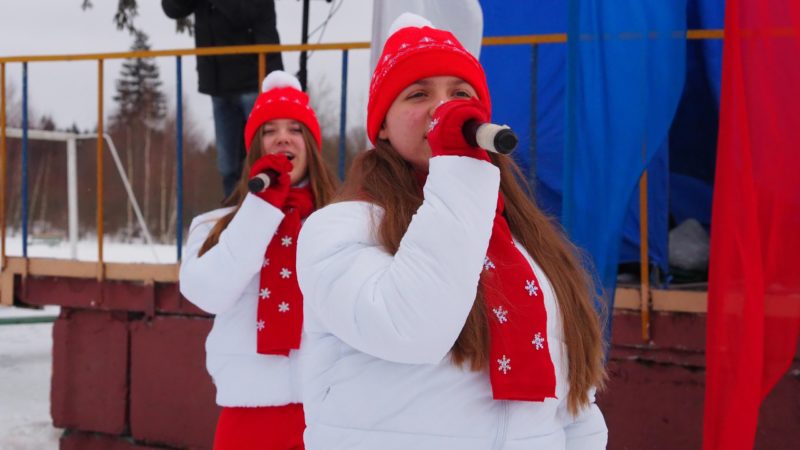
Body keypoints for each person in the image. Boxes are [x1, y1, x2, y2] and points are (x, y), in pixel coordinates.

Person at [296, 13, 607, 450]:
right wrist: (459, 169)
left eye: (460, 94)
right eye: (418, 94)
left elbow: (574, 396)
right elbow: (411, 328)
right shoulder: (340, 228)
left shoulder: (523, 243)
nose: (443, 109)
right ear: (382, 125)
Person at [180, 70, 337, 450]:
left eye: (295, 129)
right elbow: (206, 293)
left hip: (330, 411)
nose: (283, 137)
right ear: (254, 148)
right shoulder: (213, 226)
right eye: (270, 130)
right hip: (247, 415)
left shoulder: (343, 221)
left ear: (311, 146)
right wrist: (259, 210)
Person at [162, 0, 285, 198]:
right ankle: (232, 216)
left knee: (264, 160)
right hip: (220, 86)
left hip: (255, 81)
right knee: (228, 167)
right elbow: (173, 8)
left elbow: (244, 15)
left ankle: (271, 214)